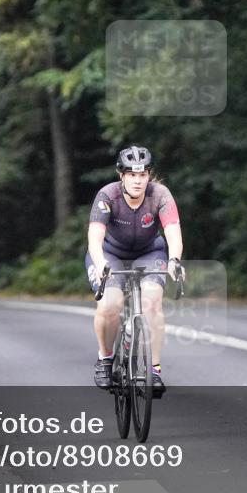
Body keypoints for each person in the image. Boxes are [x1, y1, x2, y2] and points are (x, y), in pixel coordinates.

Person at [86, 145, 183, 397]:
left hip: (149, 253)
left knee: (152, 303)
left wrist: (174, 260)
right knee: (110, 305)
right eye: (132, 175)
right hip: (110, 255)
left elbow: (173, 232)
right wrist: (99, 262)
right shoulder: (108, 195)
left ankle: (155, 369)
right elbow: (95, 236)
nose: (138, 181)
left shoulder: (160, 194)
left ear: (148, 175)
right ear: (122, 176)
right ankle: (105, 358)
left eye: (142, 175)